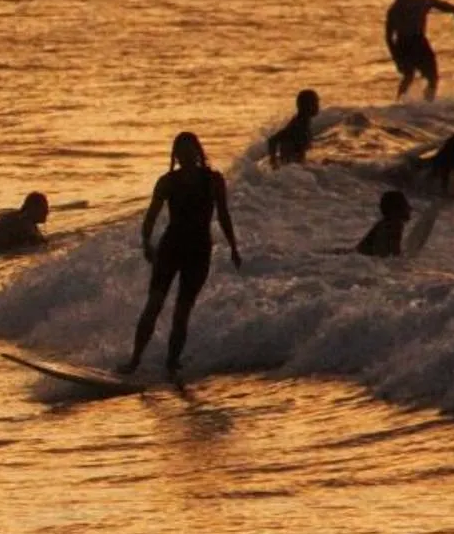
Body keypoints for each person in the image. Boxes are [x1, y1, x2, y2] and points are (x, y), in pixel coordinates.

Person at [125, 134, 239, 376]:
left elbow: (224, 215)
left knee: (181, 312)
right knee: (154, 305)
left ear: (198, 152)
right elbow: (151, 217)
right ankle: (134, 361)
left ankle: (171, 364)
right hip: (170, 248)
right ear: (175, 156)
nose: (186, 156)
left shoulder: (214, 180)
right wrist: (147, 243)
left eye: (190, 150)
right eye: (181, 152)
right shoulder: (167, 182)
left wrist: (233, 247)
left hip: (199, 251)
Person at [385, 0, 454, 100]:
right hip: (408, 44)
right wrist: (395, 56)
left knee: (423, 77)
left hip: (412, 43)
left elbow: (452, 8)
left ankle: (425, 102)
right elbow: (388, 36)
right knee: (413, 76)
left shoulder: (416, 2)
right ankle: (401, 102)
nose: (401, 0)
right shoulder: (398, 9)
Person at [266, 90, 321, 167]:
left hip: (296, 167)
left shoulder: (304, 122)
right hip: (291, 169)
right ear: (307, 105)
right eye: (315, 102)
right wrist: (274, 164)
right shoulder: (298, 124)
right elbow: (272, 140)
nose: (318, 106)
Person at [357, 188, 412, 256]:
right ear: (395, 210)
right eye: (406, 205)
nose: (410, 208)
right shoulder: (394, 225)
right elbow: (384, 256)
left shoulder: (385, 223)